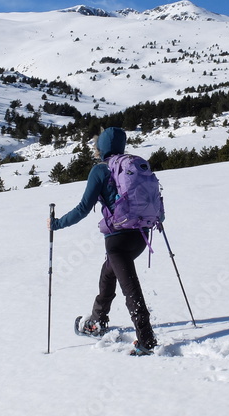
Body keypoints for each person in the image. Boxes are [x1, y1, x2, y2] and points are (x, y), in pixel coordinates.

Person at [48, 127, 158, 356]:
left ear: (102, 148)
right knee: (108, 273)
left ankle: (146, 339)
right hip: (141, 236)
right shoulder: (133, 167)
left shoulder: (101, 170)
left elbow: (82, 209)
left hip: (118, 241)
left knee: (131, 289)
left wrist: (57, 224)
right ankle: (98, 321)